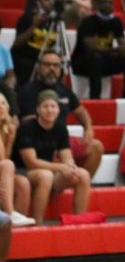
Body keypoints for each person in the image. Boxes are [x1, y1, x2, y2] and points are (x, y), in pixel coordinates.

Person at [17, 51, 104, 178]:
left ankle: (80, 180)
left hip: (62, 139)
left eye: (56, 65)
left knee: (96, 146)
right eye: (47, 65)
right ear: (39, 66)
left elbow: (81, 112)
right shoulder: (27, 91)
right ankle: (59, 181)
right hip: (40, 142)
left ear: (60, 68)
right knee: (52, 154)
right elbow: (27, 122)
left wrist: (88, 128)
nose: (51, 68)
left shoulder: (64, 89)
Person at [16, 89, 91, 224]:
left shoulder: (61, 128)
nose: (50, 110)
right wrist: (61, 167)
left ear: (58, 110)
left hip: (48, 170)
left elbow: (66, 156)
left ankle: (80, 222)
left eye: (53, 106)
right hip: (23, 171)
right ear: (38, 110)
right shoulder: (26, 127)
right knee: (46, 176)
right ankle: (38, 224)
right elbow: (31, 163)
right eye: (45, 106)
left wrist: (71, 168)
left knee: (83, 175)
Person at [70, 0, 125, 99]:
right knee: (96, 58)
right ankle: (95, 98)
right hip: (82, 62)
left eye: (110, 3)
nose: (107, 5)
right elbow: (90, 49)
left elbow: (123, 46)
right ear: (97, 4)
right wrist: (114, 50)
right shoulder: (88, 21)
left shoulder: (116, 21)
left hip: (103, 60)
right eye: (104, 2)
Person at [12, 0, 64, 87]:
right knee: (27, 66)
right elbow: (17, 43)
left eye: (52, 0)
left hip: (46, 57)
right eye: (47, 0)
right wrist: (34, 25)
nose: (51, 3)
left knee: (56, 65)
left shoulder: (55, 21)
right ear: (38, 2)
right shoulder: (27, 18)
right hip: (27, 56)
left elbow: (63, 46)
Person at [0, 92, 33, 226]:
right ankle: (10, 214)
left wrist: (9, 140)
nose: (0, 107)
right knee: (8, 165)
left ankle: (17, 230)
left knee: (23, 183)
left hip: (2, 169)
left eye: (3, 103)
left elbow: (4, 158)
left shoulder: (8, 129)